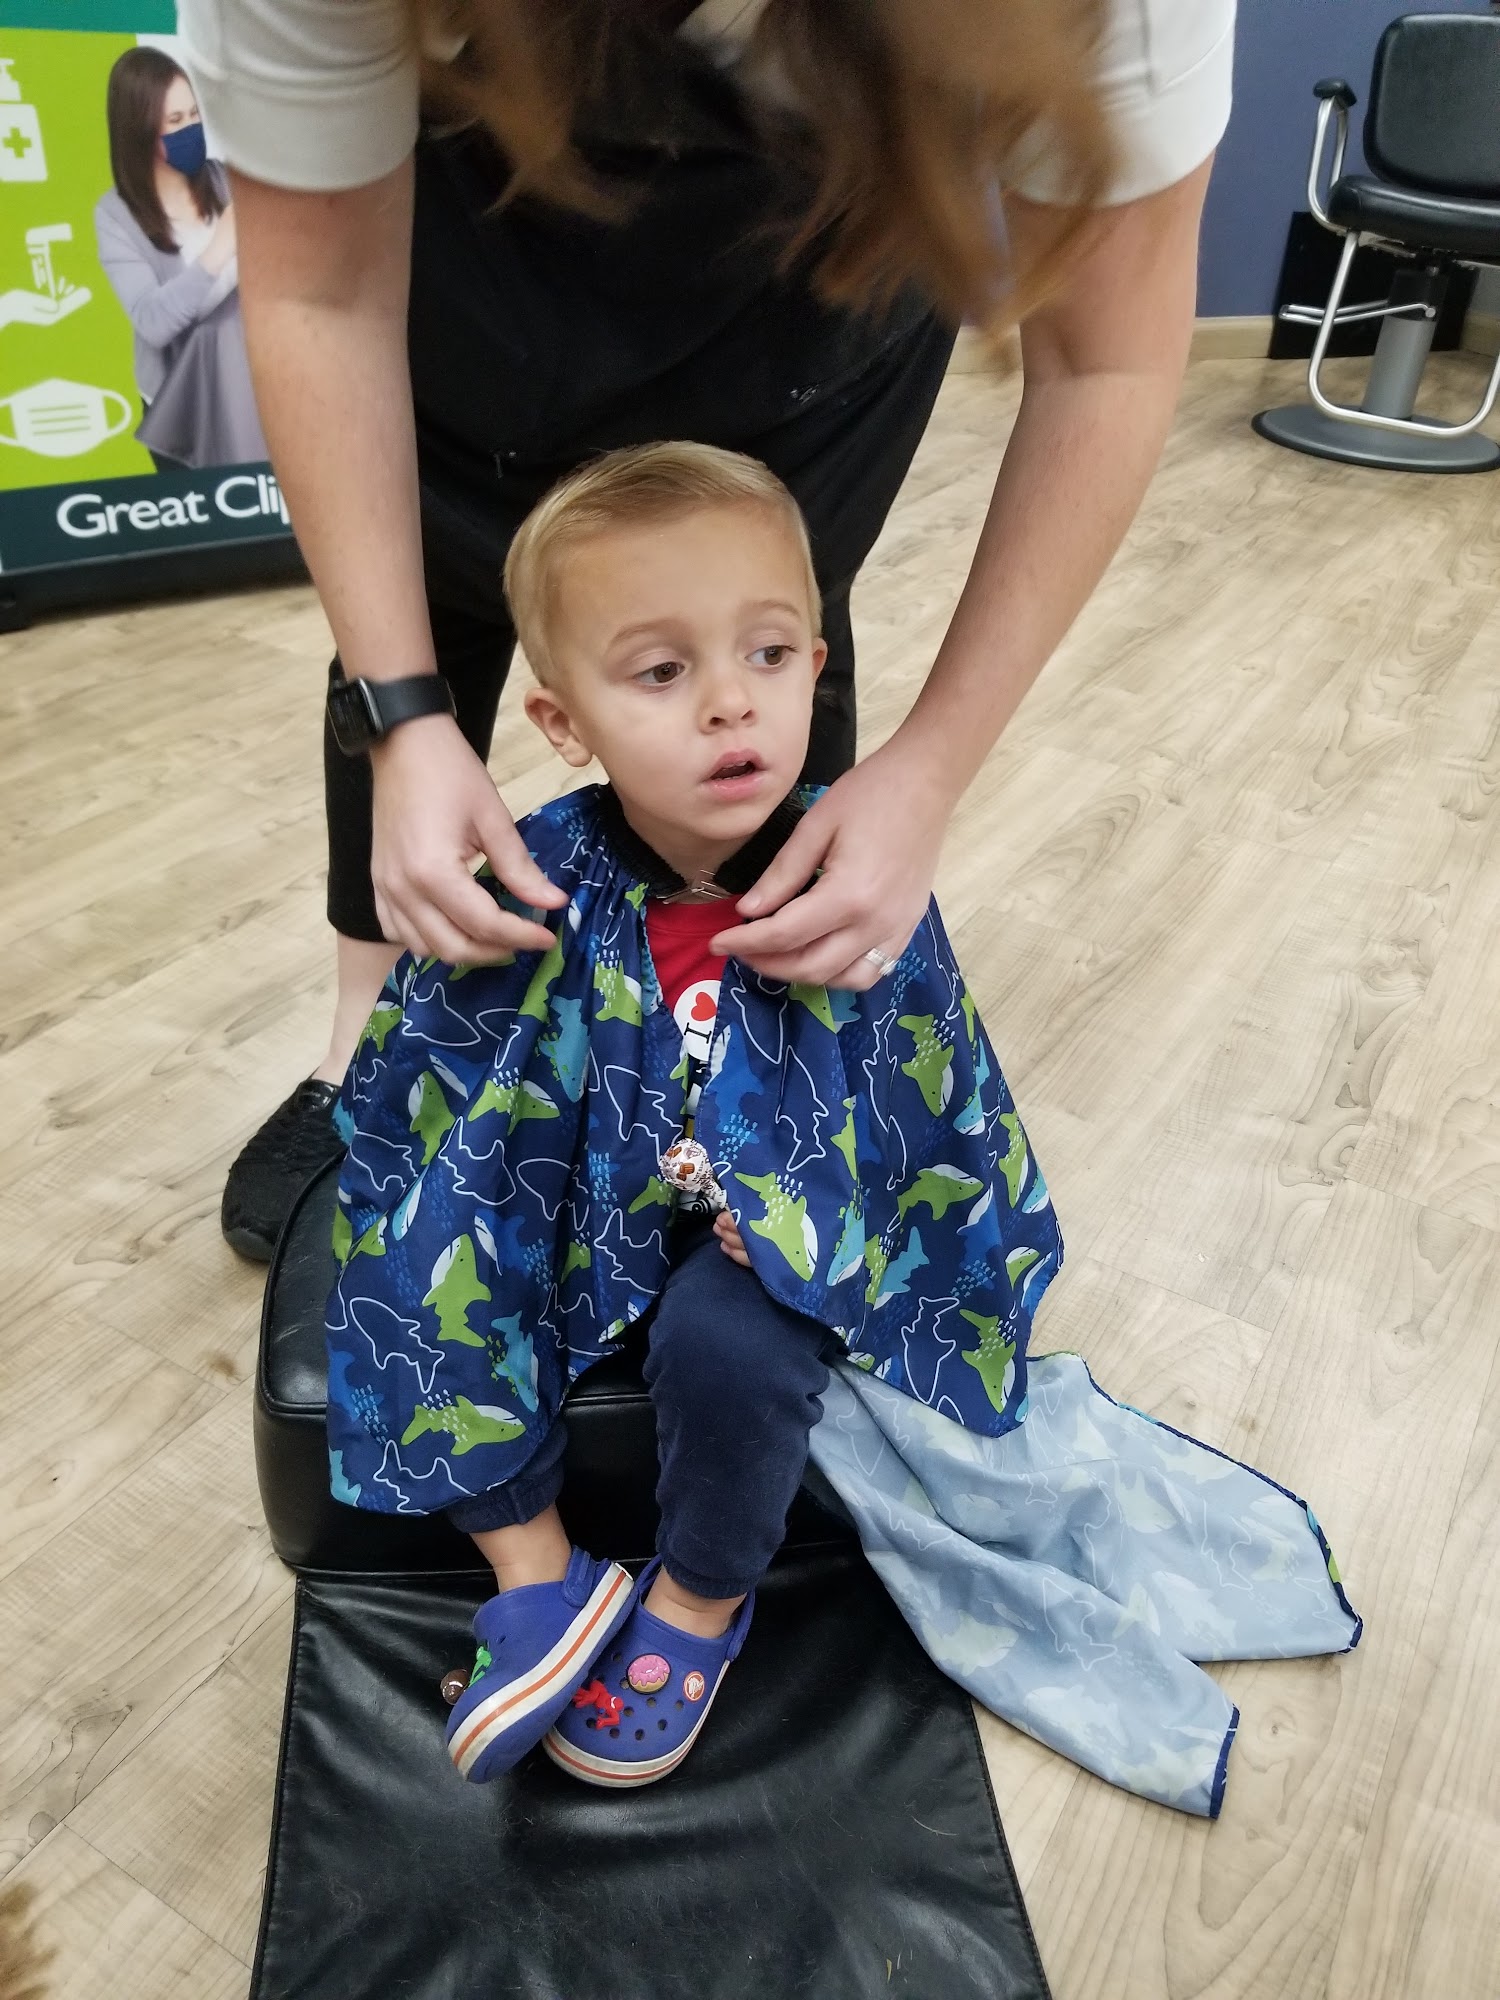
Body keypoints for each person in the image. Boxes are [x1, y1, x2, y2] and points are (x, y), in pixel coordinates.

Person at [182, 0, 1236, 1262]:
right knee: (425, 620)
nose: (724, 703)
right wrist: (402, 720)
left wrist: (931, 768)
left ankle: (752, 1068)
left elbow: (1107, 360)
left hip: (810, 317)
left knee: (760, 633)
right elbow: (323, 293)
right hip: (467, 318)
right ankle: (369, 1041)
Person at [331, 442, 1064, 1787]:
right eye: (664, 672)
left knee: (739, 1346)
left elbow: (920, 1111)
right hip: (570, 1205)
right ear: (564, 722)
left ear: (818, 668)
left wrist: (798, 1209)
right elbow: (456, 1092)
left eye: (769, 655)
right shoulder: (537, 873)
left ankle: (699, 1603)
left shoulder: (855, 869)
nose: (733, 702)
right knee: (408, 1260)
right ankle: (540, 1575)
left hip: (752, 1241)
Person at [94, 46, 269, 471]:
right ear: (139, 132)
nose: (190, 129)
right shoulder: (115, 216)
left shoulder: (227, 181)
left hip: (251, 390)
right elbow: (153, 322)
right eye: (174, 121)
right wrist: (220, 248)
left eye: (193, 115)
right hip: (181, 409)